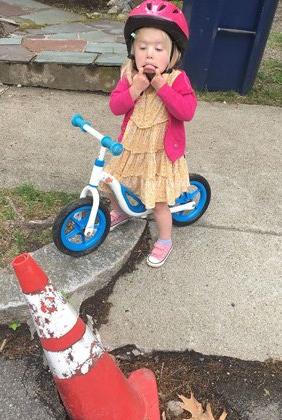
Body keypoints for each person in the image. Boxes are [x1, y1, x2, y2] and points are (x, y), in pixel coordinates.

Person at [102, 0, 197, 268]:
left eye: (158, 48)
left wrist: (159, 85)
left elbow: (185, 111)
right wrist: (137, 87)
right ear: (133, 50)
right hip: (131, 146)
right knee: (114, 181)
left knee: (158, 202)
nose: (150, 54)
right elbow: (115, 106)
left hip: (161, 152)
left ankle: (165, 239)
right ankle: (120, 211)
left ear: (173, 54)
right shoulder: (130, 75)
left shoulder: (177, 79)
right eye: (143, 48)